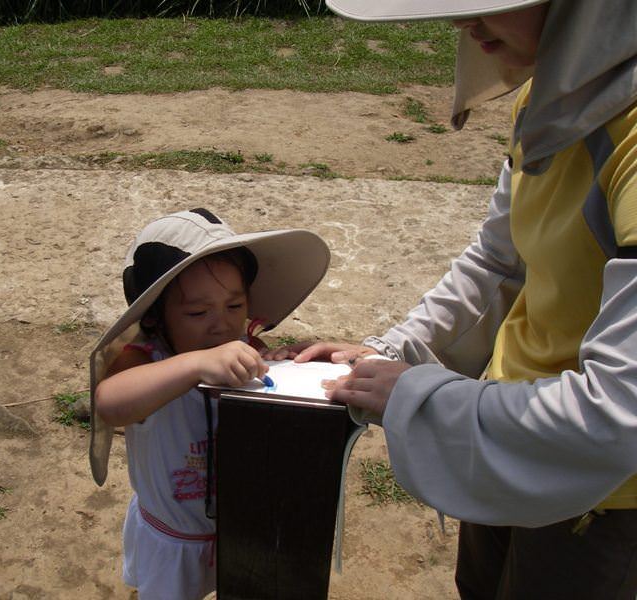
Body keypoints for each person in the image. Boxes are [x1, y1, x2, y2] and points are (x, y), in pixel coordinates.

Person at [265, 1, 637, 597]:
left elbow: (619, 418)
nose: (464, 23)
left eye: (496, 4)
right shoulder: (554, 96)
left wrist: (418, 394)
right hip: (504, 425)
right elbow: (498, 260)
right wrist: (390, 351)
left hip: (601, 494)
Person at [87, 208, 330, 599]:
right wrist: (194, 364)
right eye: (198, 312)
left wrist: (286, 372)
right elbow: (110, 403)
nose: (222, 325)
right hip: (174, 537)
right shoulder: (144, 359)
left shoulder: (248, 347)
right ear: (154, 319)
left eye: (234, 306)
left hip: (243, 528)